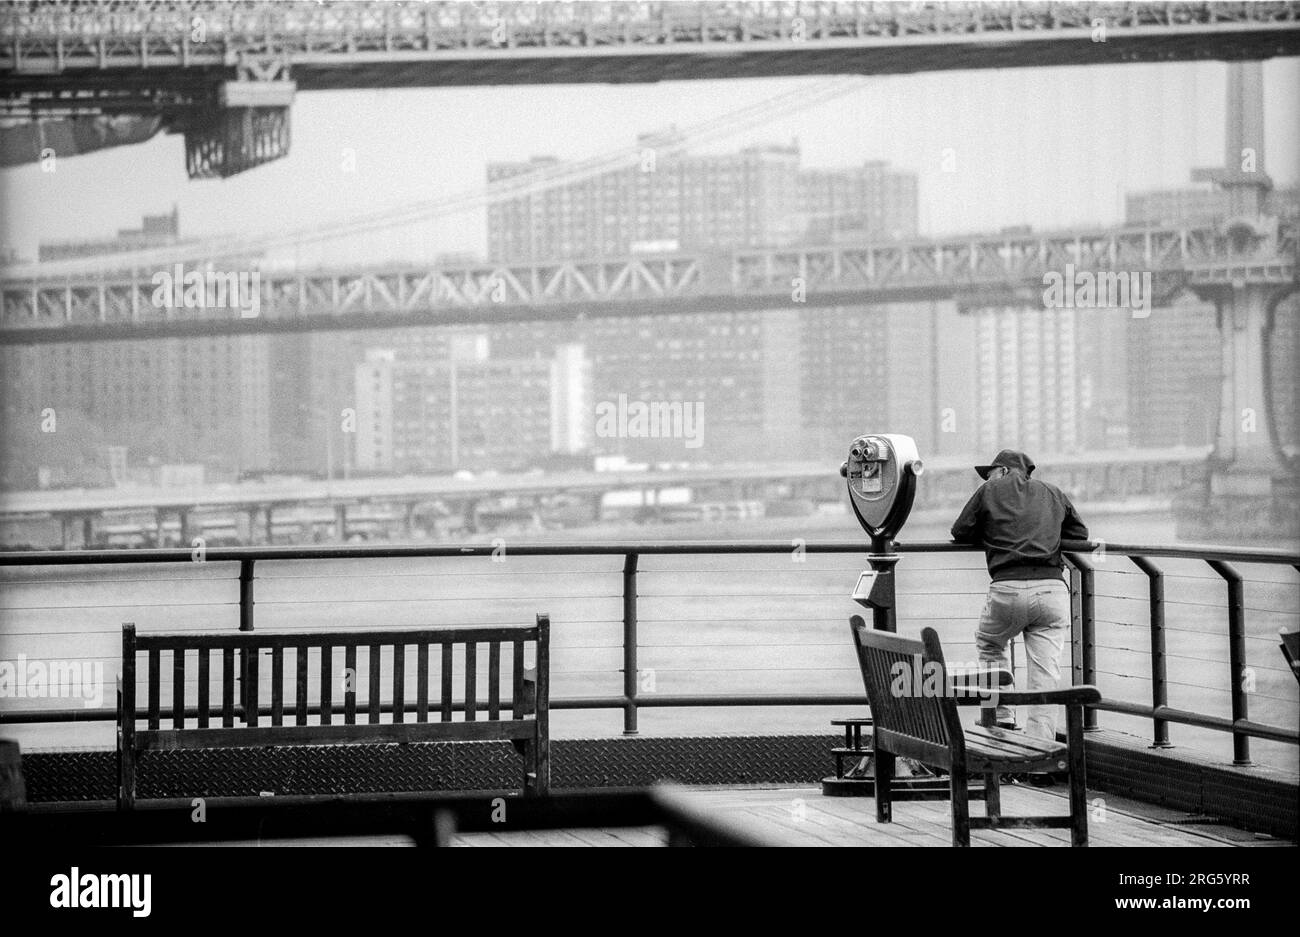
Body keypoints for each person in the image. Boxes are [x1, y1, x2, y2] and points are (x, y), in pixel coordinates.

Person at [950, 449, 1088, 744]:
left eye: (989, 472)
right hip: (1051, 590)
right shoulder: (1052, 492)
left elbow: (960, 531)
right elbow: (1080, 535)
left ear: (1001, 471)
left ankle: (1001, 716)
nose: (987, 477)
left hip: (1007, 588)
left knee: (991, 643)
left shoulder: (989, 490)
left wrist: (993, 532)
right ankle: (1041, 746)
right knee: (1045, 671)